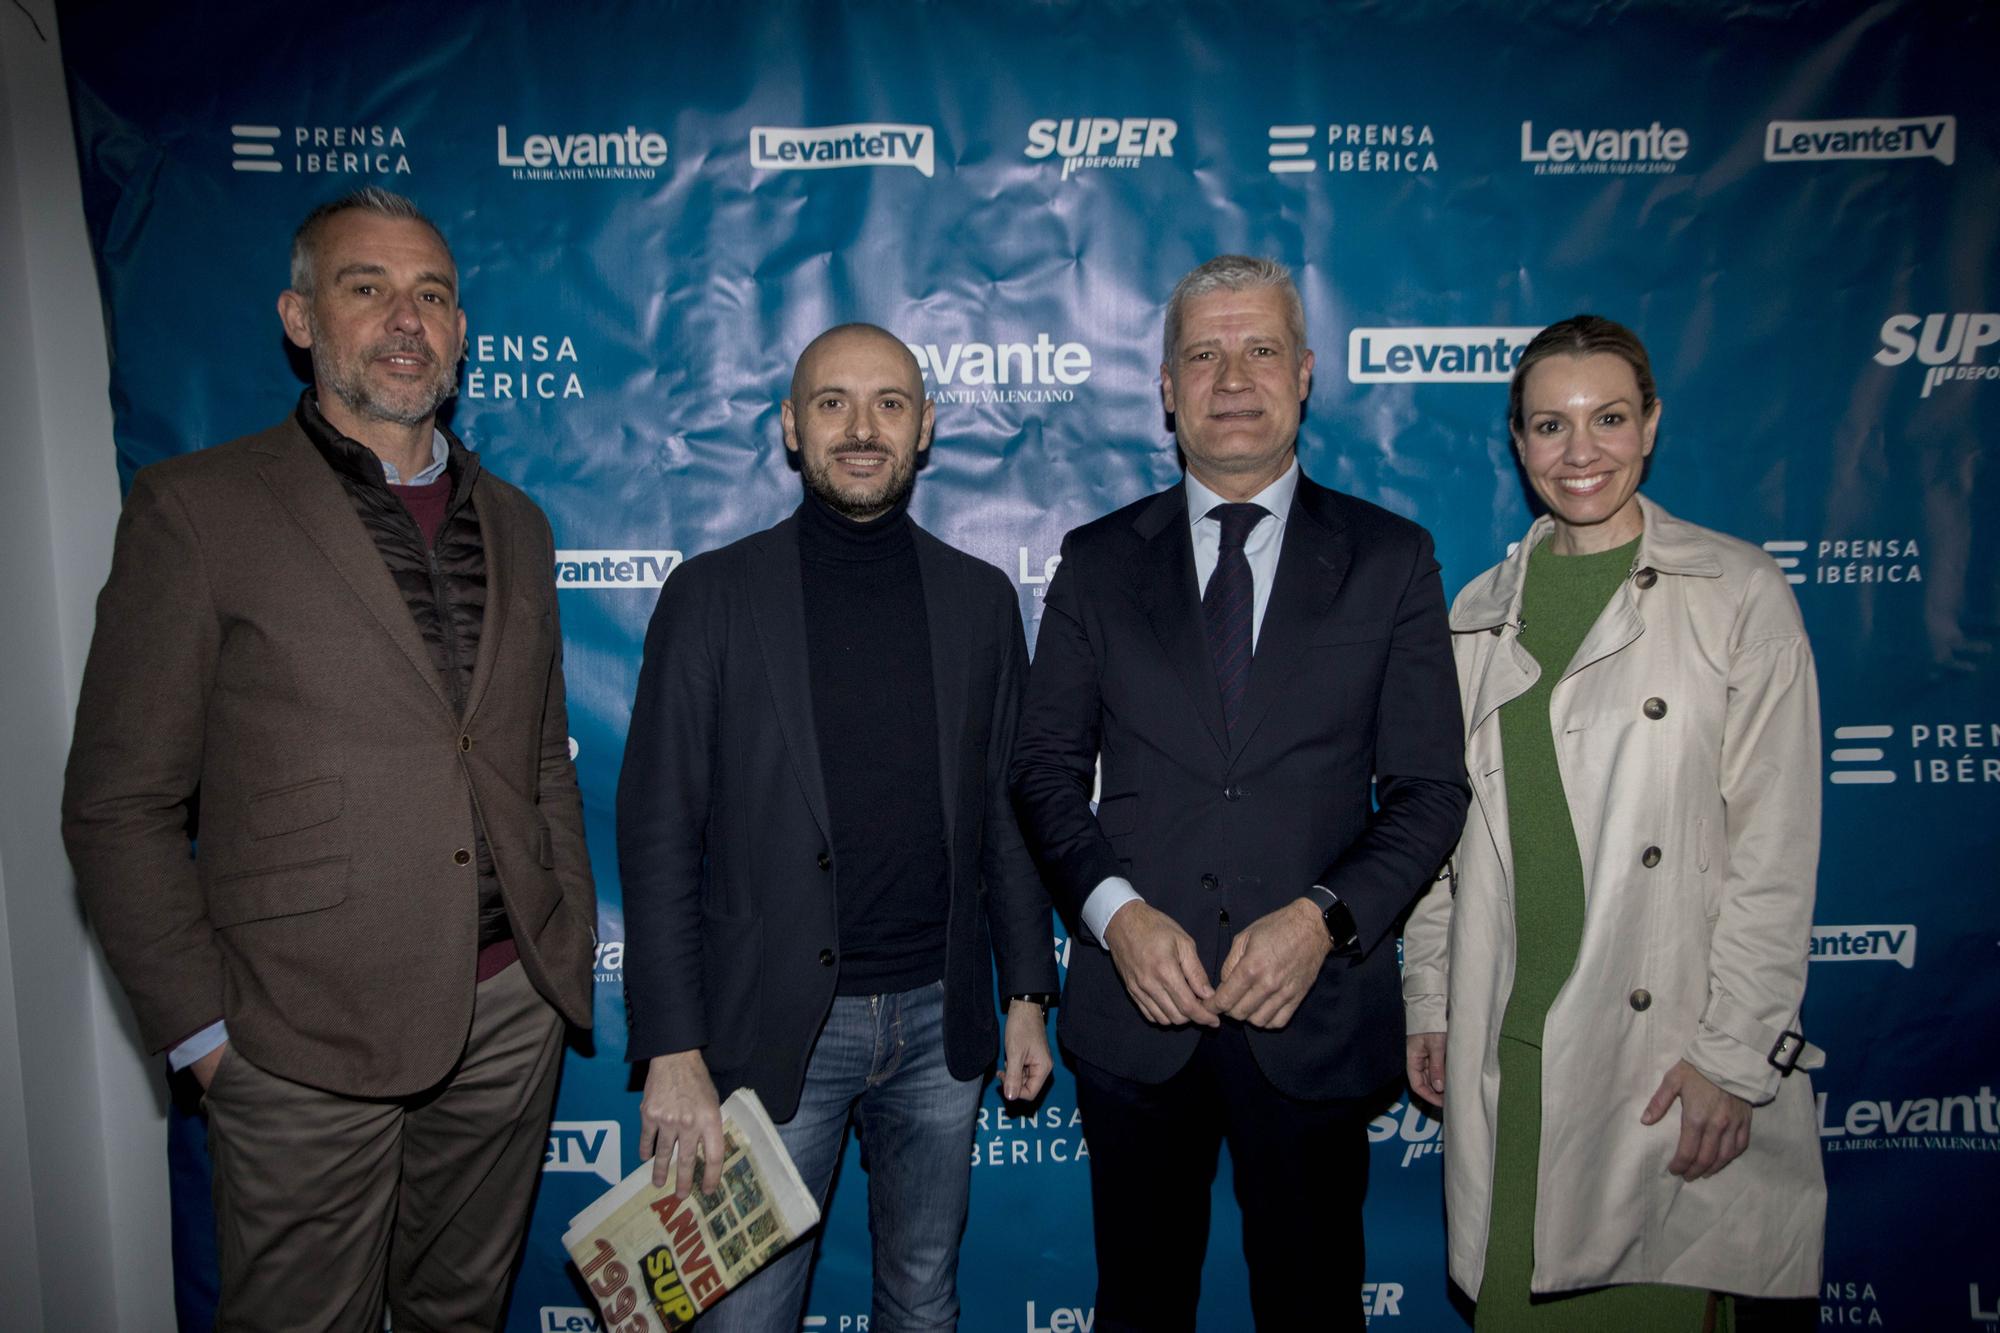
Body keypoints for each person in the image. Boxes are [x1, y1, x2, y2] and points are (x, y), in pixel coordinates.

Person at [62, 186, 597, 1331]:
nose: (407, 318)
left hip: (506, 1016)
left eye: (433, 295)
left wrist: (558, 941)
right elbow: (119, 804)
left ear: (461, 333)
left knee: (458, 1311)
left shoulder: (518, 522)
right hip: (296, 1040)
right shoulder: (197, 508)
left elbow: (536, 758)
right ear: (300, 319)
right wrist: (209, 1043)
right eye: (368, 288)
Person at [1010, 255, 1470, 1332]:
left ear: (1303, 374)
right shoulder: (1092, 559)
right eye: (1201, 353)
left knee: (1312, 1310)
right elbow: (1039, 770)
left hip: (1311, 1015)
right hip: (1135, 1018)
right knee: (1139, 1306)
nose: (1231, 376)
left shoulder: (1390, 559)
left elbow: (1427, 790)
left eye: (1258, 348)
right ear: (1165, 387)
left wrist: (1322, 920)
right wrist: (1114, 919)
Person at [619, 322, 1058, 1332]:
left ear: (925, 427)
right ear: (789, 428)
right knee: (746, 1314)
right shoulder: (711, 596)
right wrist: (672, 1048)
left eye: (888, 404)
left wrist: (1027, 990)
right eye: (831, 403)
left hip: (936, 1028)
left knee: (920, 1295)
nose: (861, 428)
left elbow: (1006, 812)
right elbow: (656, 829)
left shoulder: (979, 600)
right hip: (769, 1032)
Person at [1401, 314, 1827, 1329]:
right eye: (1549, 425)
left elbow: (1774, 850)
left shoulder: (1733, 593)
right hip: (1513, 1051)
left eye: (1606, 418)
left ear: (1650, 426)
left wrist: (1733, 1060)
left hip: (1658, 1067)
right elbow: (1439, 842)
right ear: (1516, 442)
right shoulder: (1473, 613)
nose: (1578, 450)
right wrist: (1428, 996)